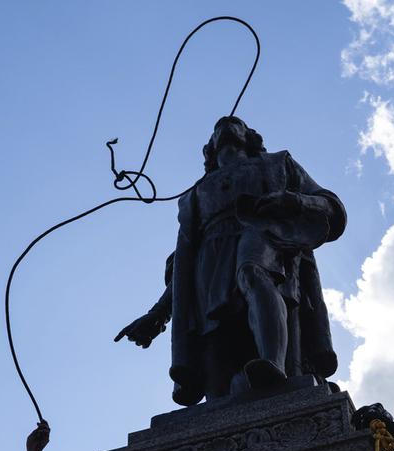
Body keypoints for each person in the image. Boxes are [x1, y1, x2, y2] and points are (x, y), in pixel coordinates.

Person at [115, 116, 345, 406]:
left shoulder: (277, 164)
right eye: (217, 127)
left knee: (252, 272)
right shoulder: (195, 196)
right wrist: (156, 315)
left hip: (264, 235)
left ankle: (272, 363)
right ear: (209, 148)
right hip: (209, 276)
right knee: (218, 386)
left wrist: (294, 201)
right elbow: (183, 269)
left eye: (236, 123)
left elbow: (332, 206)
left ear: (249, 137)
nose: (225, 125)